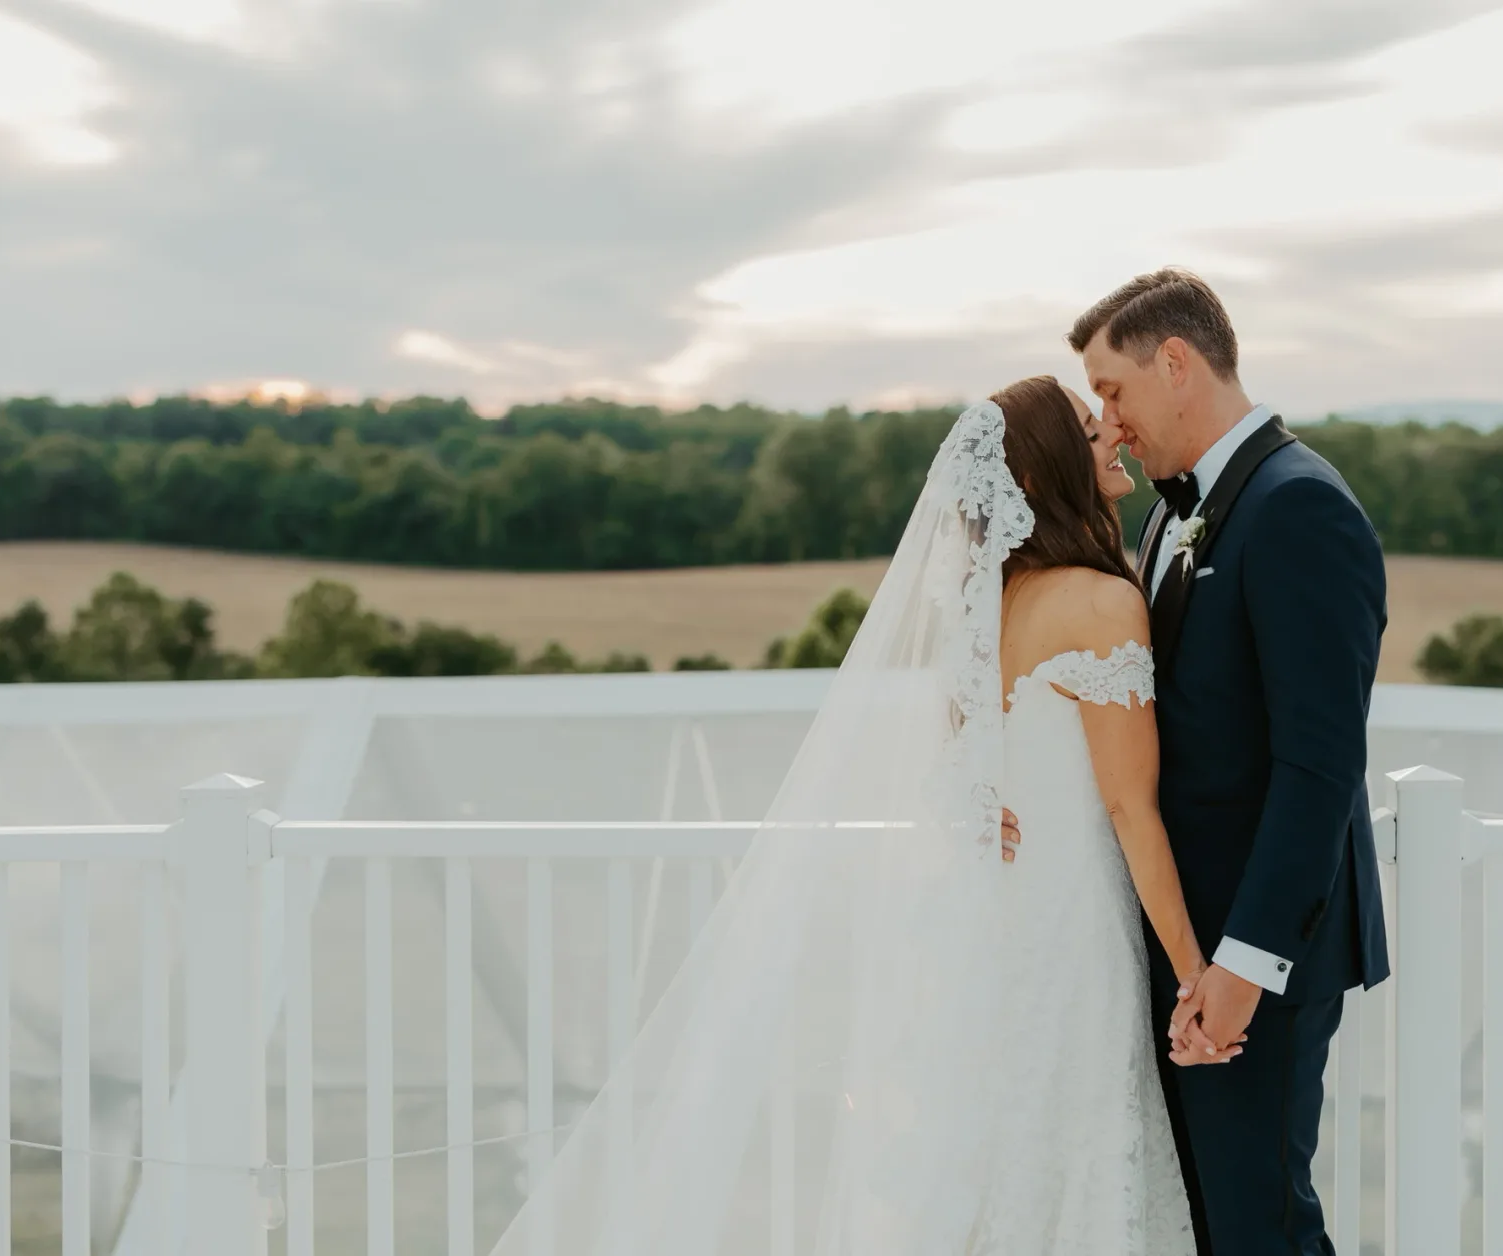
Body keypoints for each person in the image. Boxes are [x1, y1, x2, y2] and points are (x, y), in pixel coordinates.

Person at [491, 372, 1217, 1255]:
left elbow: (965, 772)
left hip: (996, 928)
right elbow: (1132, 810)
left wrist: (980, 812)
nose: (1108, 430)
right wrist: (1194, 976)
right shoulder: (1101, 604)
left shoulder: (982, 608)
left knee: (1000, 1148)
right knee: (1074, 1143)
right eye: (1085, 423)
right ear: (1045, 468)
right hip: (1070, 928)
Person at [1042, 266, 1391, 1256]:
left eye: (1111, 390)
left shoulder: (1298, 508)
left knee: (1257, 1226)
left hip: (1251, 947)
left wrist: (1242, 963)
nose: (1104, 420)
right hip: (1175, 939)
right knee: (1195, 1219)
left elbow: (1316, 765)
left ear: (1177, 363)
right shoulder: (1168, 512)